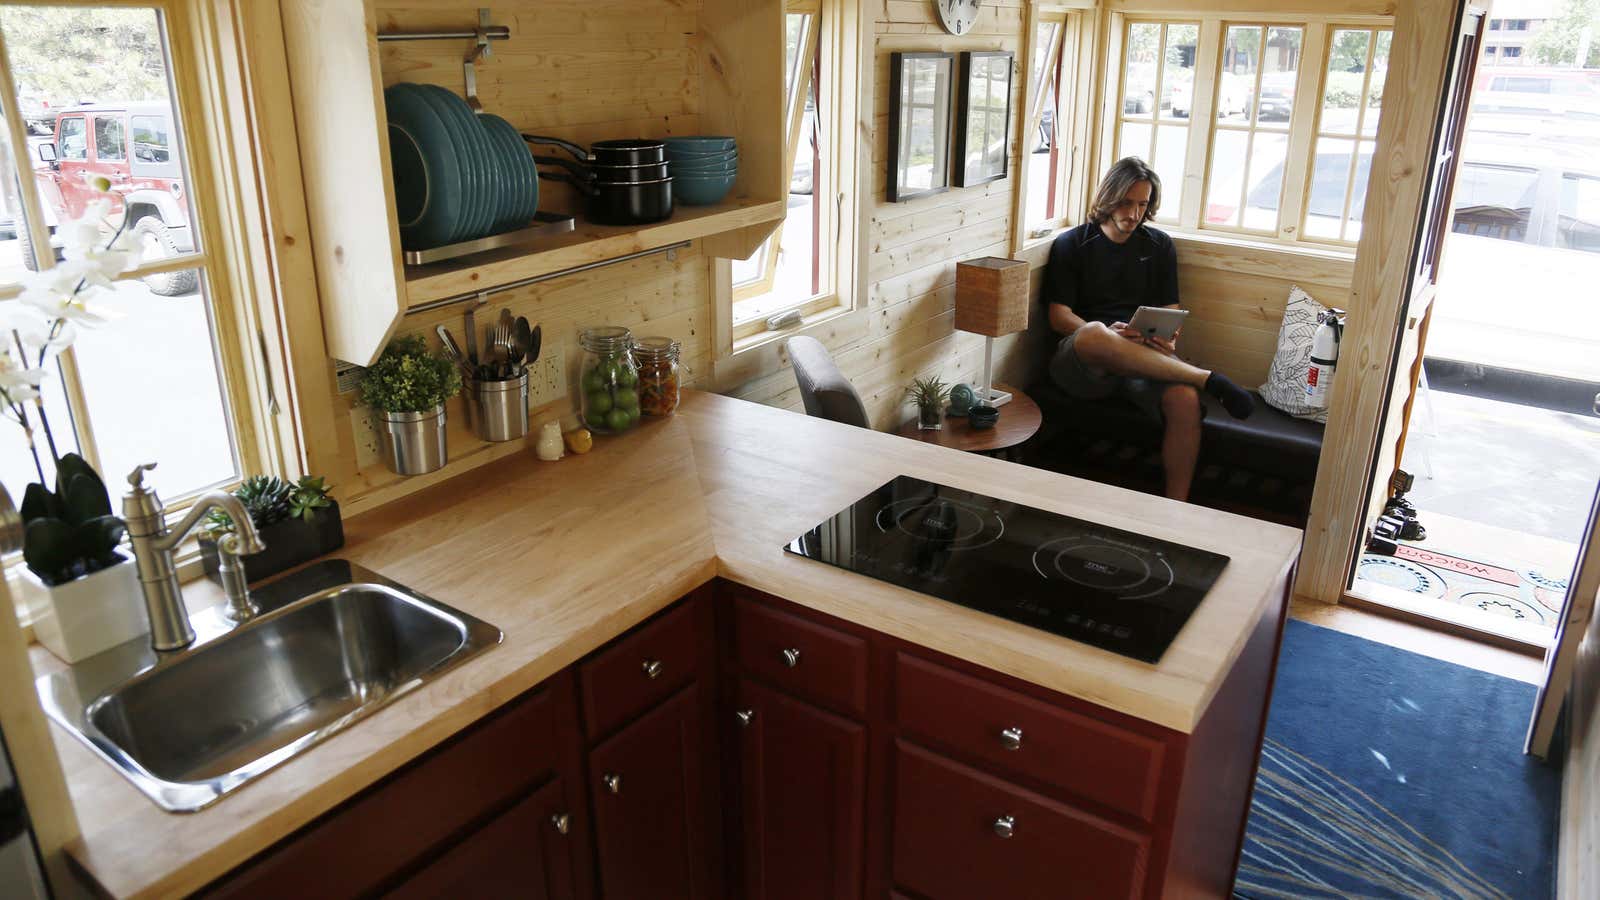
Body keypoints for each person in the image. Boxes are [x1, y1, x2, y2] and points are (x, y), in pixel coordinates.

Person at [1045, 156, 1254, 502]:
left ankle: (1175, 510)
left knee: (1185, 399)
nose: (1134, 213)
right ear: (1109, 198)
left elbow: (1169, 311)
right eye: (1127, 203)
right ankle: (1207, 379)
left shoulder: (1159, 246)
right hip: (1084, 363)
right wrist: (1108, 336)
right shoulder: (1073, 243)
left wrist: (1165, 336)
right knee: (1097, 331)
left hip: (1141, 360)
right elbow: (1058, 316)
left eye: (1142, 204)